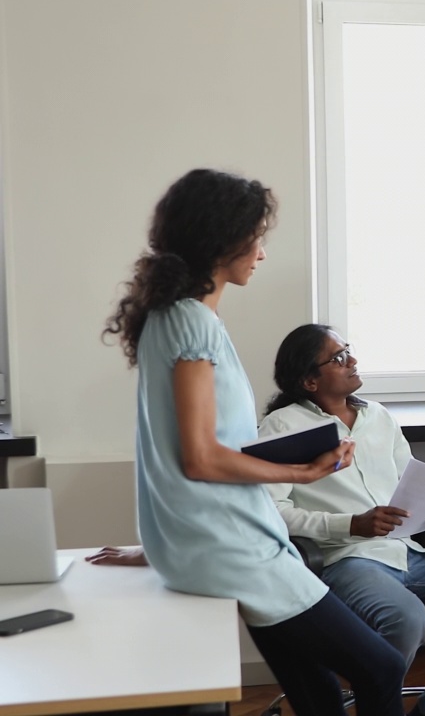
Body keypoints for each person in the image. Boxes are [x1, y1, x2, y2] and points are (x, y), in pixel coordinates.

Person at [101, 169, 406, 716]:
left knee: (318, 695)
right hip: (236, 550)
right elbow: (199, 457)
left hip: (212, 544)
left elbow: (175, 451)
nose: (261, 253)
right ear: (223, 239)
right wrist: (303, 472)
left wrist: (161, 546)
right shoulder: (192, 321)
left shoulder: (166, 320)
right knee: (381, 668)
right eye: (256, 237)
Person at [259, 324, 425, 716]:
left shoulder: (379, 417)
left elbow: (409, 484)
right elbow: (274, 513)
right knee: (407, 619)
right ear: (309, 379)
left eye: (348, 350)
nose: (352, 361)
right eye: (338, 358)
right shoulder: (283, 427)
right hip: (347, 559)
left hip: (407, 550)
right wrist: (351, 524)